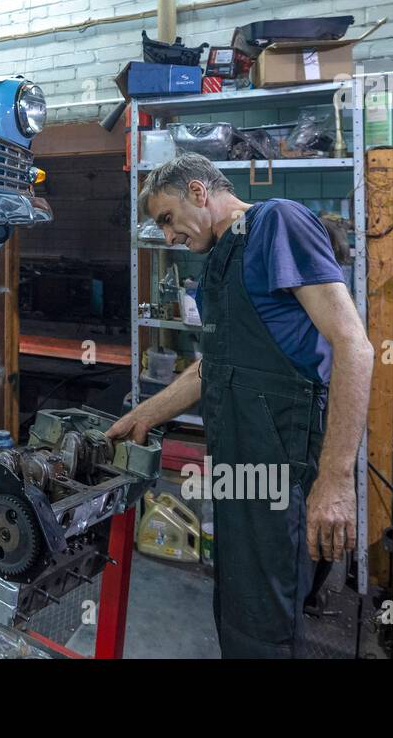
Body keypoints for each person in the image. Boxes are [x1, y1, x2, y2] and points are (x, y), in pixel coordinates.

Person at [109, 153, 373, 657]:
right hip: (238, 462)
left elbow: (354, 347)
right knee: (240, 602)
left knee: (267, 618)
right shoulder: (218, 262)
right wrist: (146, 413)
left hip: (282, 463)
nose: (167, 237)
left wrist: (336, 479)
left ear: (198, 193)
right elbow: (217, 365)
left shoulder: (276, 222)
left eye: (167, 219)